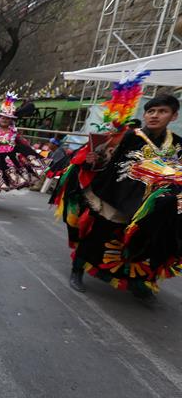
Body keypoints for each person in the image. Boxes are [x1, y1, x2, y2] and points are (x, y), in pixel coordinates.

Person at [51, 89, 182, 297]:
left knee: (152, 242)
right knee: (98, 234)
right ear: (144, 115)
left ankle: (141, 281)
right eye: (151, 111)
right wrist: (94, 159)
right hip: (114, 196)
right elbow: (104, 159)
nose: (155, 115)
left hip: (150, 205)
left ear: (173, 116)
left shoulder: (177, 144)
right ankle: (78, 268)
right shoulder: (128, 136)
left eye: (162, 111)